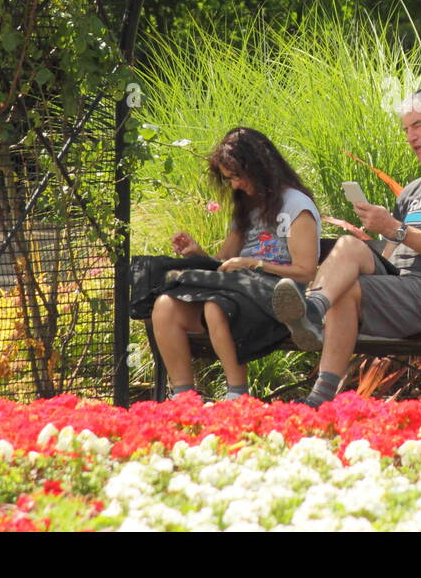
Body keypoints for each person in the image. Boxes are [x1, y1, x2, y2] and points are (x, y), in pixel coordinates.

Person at [271, 87, 421, 407]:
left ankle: (320, 396)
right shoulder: (412, 190)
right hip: (403, 289)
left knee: (349, 289)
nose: (410, 137)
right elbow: (392, 255)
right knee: (349, 246)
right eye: (406, 129)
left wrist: (394, 228)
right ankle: (313, 309)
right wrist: (386, 234)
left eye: (418, 125)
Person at [133, 127, 321, 400]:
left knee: (215, 306)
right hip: (238, 291)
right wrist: (199, 255)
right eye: (228, 179)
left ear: (258, 168)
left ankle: (237, 395)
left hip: (279, 299)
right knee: (164, 305)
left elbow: (305, 272)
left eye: (236, 177)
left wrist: (255, 264)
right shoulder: (246, 207)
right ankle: (184, 398)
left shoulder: (296, 205)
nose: (234, 185)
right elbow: (224, 264)